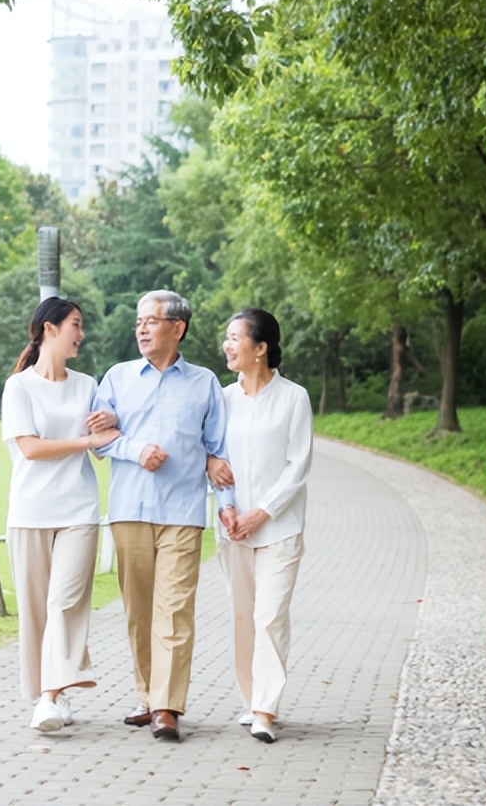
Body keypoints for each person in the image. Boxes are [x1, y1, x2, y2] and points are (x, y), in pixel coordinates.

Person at [90, 289, 230, 742]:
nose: (142, 329)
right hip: (129, 508)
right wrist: (136, 449)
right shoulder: (116, 377)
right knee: (139, 613)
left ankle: (167, 707)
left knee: (174, 611)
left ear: (177, 327)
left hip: (183, 511)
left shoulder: (205, 382)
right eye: (138, 322)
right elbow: (99, 436)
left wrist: (223, 498)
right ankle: (149, 696)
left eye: (150, 321)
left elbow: (219, 449)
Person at [0, 297, 120, 732]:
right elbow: (30, 448)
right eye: (75, 324)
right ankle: (53, 694)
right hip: (30, 511)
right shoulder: (19, 387)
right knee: (36, 611)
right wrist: (85, 442)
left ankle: (49, 697)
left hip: (78, 510)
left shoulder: (88, 384)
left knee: (64, 603)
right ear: (49, 328)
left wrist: (109, 423)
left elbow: (104, 446)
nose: (81, 333)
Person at [213, 308, 313, 744]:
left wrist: (262, 512)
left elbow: (298, 465)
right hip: (233, 528)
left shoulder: (294, 397)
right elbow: (215, 462)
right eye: (227, 338)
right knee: (243, 617)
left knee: (270, 617)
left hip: (279, 528)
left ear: (261, 348)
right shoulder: (221, 398)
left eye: (236, 338)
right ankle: (250, 697)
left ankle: (265, 709)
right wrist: (229, 508)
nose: (228, 345)